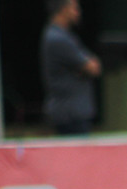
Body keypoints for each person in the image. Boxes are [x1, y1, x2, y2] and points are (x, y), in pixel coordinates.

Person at [40, 0, 101, 136]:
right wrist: (85, 67)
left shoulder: (63, 36)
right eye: (74, 8)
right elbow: (92, 67)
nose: (78, 13)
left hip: (71, 112)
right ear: (63, 9)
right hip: (70, 114)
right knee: (78, 156)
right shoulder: (58, 39)